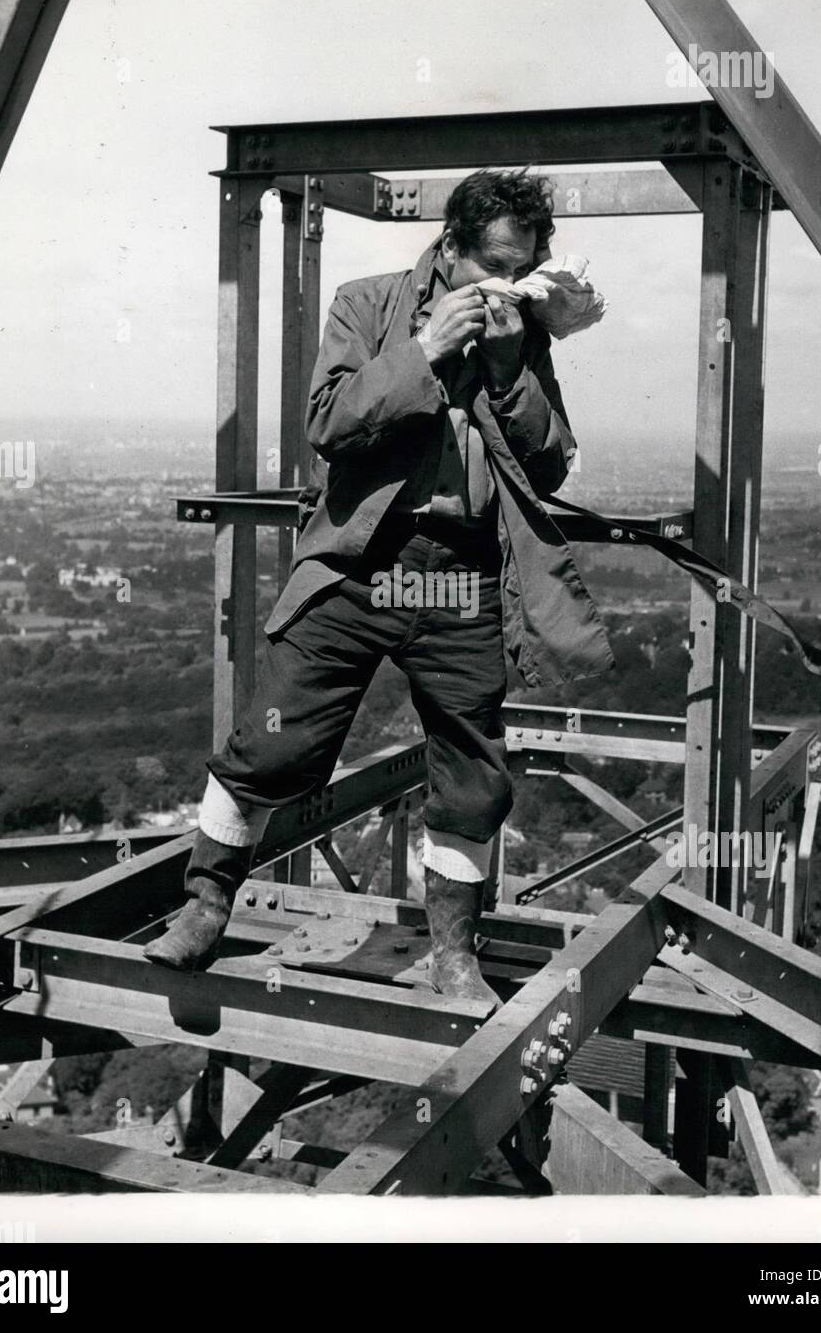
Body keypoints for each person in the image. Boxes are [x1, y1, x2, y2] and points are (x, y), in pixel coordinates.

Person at [144, 169, 614, 1004]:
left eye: (523, 268)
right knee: (275, 740)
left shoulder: (522, 333)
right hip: (362, 566)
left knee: (472, 773)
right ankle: (206, 905)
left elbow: (547, 463)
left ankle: (453, 956)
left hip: (459, 577)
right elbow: (329, 422)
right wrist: (423, 354)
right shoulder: (368, 307)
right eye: (494, 267)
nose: (508, 286)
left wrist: (508, 370)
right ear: (449, 248)